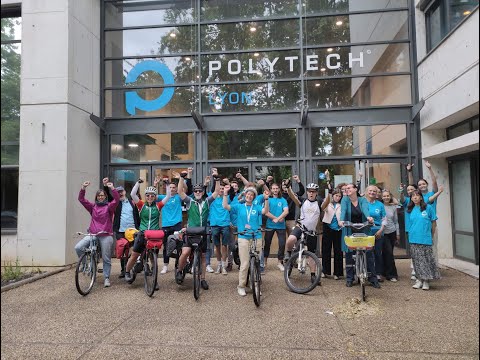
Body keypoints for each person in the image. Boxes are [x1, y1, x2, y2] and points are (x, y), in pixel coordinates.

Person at [174, 172, 220, 290]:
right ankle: (179, 270)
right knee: (185, 252)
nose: (198, 192)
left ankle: (203, 279)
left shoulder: (207, 201)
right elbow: (180, 191)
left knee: (203, 256)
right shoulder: (190, 201)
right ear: (194, 192)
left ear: (203, 192)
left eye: (200, 191)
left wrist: (217, 179)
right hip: (190, 231)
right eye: (196, 191)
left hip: (203, 232)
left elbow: (216, 192)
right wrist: (181, 178)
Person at [222, 185, 269, 297]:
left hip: (256, 236)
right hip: (243, 237)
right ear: (245, 195)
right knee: (245, 264)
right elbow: (225, 206)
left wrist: (266, 199)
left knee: (257, 262)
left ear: (254, 197)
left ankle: (255, 285)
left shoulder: (256, 207)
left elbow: (265, 211)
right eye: (248, 194)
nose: (249, 196)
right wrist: (225, 194)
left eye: (252, 195)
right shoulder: (239, 206)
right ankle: (241, 286)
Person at [124, 179, 171, 283]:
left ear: (155, 197)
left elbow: (168, 196)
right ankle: (127, 272)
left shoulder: (158, 206)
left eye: (152, 196)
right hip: (142, 233)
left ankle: (154, 281)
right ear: (145, 196)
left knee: (153, 258)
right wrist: (137, 183)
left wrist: (167, 185)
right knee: (135, 254)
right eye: (148, 195)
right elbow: (132, 194)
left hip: (154, 235)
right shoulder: (141, 205)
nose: (150, 197)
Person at [75, 180, 119, 288]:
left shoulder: (109, 207)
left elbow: (117, 200)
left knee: (106, 257)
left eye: (102, 195)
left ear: (105, 197)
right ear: (96, 197)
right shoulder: (93, 207)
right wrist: (83, 188)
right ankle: (85, 265)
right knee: (78, 247)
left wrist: (112, 188)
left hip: (105, 234)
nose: (100, 197)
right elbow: (81, 199)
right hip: (93, 234)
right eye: (99, 195)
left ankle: (106, 278)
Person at [285, 183, 329, 284]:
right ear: (307, 192)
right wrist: (288, 188)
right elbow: (292, 196)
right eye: (309, 191)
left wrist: (330, 193)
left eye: (313, 192)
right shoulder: (303, 201)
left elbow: (327, 202)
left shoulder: (319, 202)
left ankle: (313, 276)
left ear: (316, 193)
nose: (311, 193)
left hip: (312, 231)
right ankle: (288, 253)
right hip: (300, 227)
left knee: (311, 255)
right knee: (291, 240)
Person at [339, 183, 380, 289]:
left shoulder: (362, 200)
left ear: (355, 189)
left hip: (364, 228)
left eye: (349, 188)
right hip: (349, 228)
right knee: (349, 255)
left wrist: (369, 218)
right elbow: (343, 211)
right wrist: (341, 220)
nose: (347, 190)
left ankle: (373, 279)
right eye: (346, 189)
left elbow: (365, 210)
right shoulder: (345, 200)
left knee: (368, 254)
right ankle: (349, 278)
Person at [407, 190, 440, 290]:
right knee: (416, 261)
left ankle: (426, 281)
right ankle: (419, 280)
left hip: (425, 238)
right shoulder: (410, 209)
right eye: (413, 196)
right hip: (413, 238)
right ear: (411, 199)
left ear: (421, 197)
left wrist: (431, 235)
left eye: (417, 195)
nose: (415, 197)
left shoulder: (428, 208)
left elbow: (434, 222)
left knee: (426, 260)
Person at [156, 176, 184, 274]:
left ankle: (178, 265)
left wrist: (181, 179)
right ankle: (165, 266)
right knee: (166, 246)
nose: (172, 189)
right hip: (166, 225)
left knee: (179, 245)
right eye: (170, 187)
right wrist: (156, 184)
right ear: (167, 188)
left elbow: (184, 189)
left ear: (176, 189)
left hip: (177, 224)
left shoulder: (179, 197)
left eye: (173, 187)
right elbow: (152, 196)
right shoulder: (162, 197)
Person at [208, 169, 231, 275]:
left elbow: (232, 190)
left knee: (224, 245)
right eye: (220, 188)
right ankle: (218, 265)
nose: (221, 190)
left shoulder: (227, 198)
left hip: (225, 224)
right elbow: (212, 189)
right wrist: (214, 177)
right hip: (214, 224)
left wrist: (227, 184)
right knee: (217, 246)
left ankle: (224, 265)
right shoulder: (212, 198)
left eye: (223, 189)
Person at [264, 183, 289, 272]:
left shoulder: (283, 200)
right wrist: (276, 218)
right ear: (271, 190)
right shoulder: (268, 200)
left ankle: (279, 262)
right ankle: (265, 262)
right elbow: (266, 212)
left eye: (276, 188)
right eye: (273, 188)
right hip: (270, 225)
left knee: (282, 244)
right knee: (267, 243)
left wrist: (278, 219)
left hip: (281, 226)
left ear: (279, 189)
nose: (275, 190)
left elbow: (286, 211)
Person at [365, 185, 387, 283]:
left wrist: (381, 230)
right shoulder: (362, 203)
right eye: (370, 191)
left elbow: (384, 219)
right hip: (365, 231)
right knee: (367, 253)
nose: (372, 193)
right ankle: (368, 273)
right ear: (366, 192)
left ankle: (378, 273)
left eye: (374, 191)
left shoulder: (380, 204)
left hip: (378, 231)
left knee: (378, 253)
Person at [321, 188, 343, 280]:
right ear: (332, 195)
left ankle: (337, 273)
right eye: (336, 195)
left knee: (338, 251)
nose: (337, 198)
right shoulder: (327, 203)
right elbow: (323, 207)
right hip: (328, 227)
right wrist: (329, 196)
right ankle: (325, 271)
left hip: (339, 229)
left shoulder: (342, 205)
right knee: (326, 250)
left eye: (339, 196)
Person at [381, 189, 399, 282]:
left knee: (389, 253)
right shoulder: (379, 205)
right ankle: (387, 273)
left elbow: (396, 221)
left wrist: (398, 233)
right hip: (382, 232)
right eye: (384, 196)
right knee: (385, 253)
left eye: (388, 196)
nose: (386, 197)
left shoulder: (393, 207)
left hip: (391, 232)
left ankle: (390, 274)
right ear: (381, 197)